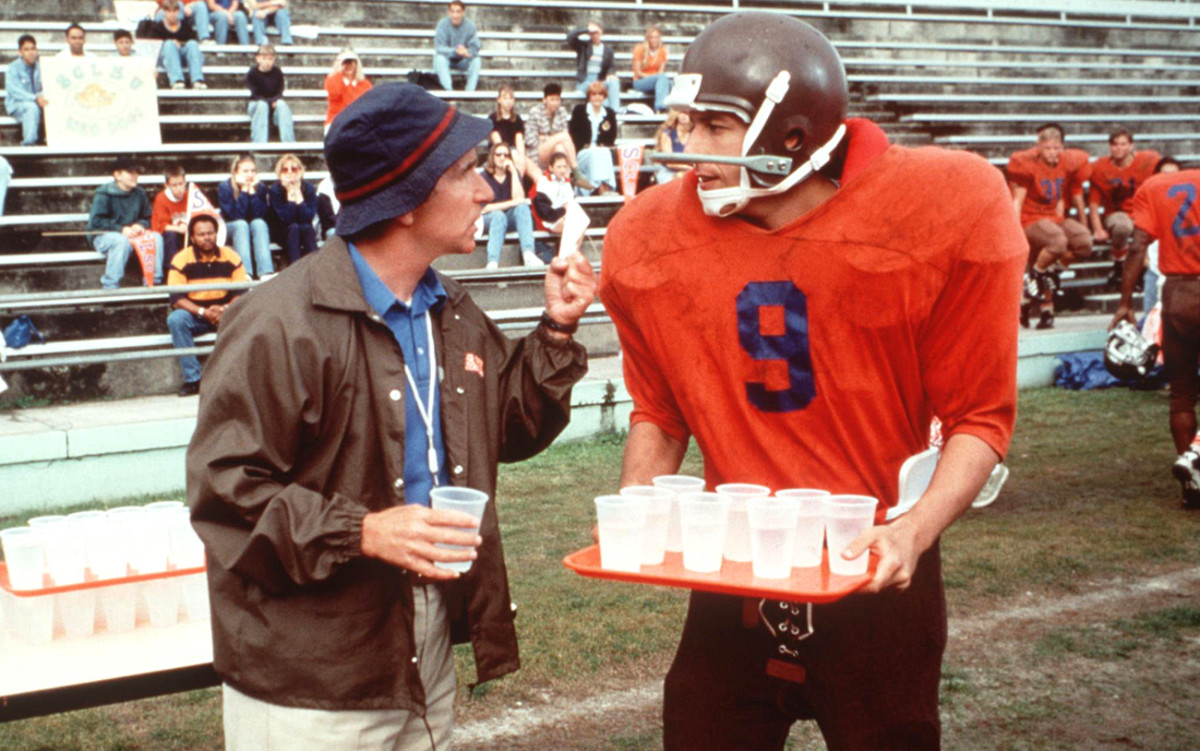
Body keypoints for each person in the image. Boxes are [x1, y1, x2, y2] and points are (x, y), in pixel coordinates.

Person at [600, 12, 1024, 750]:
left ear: (792, 136)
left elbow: (980, 420)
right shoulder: (648, 232)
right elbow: (661, 409)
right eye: (685, 122)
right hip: (736, 564)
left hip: (877, 571)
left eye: (715, 126)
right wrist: (639, 512)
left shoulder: (937, 206)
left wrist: (912, 533)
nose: (688, 148)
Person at [187, 81, 596, 750]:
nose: (487, 192)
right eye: (466, 174)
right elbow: (225, 494)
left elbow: (505, 428)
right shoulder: (278, 323)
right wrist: (364, 531)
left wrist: (555, 331)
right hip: (312, 672)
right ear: (405, 201)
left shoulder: (450, 309)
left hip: (423, 639)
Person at [1007, 123, 1093, 330]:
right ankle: (1041, 285)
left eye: (1056, 148)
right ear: (1038, 148)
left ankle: (1045, 274)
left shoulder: (1068, 162)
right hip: (1031, 219)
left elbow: (1064, 192)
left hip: (1051, 218)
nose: (1052, 152)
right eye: (1047, 148)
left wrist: (1063, 216)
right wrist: (1013, 229)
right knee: (1057, 241)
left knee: (1084, 242)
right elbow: (1017, 200)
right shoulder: (1027, 164)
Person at [166, 212, 248, 396]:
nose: (207, 238)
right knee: (176, 320)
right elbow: (177, 298)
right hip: (196, 313)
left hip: (226, 311)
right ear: (192, 237)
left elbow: (241, 292)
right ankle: (193, 380)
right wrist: (204, 312)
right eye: (201, 234)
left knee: (249, 315)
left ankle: (238, 379)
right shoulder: (181, 259)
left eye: (210, 233)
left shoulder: (231, 256)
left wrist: (225, 309)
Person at [1088, 128, 1161, 286]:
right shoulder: (1100, 168)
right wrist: (1097, 229)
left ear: (1131, 146)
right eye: (1115, 145)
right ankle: (1119, 262)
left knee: (1151, 231)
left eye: (1123, 144)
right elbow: (1093, 204)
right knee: (1123, 226)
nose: (1119, 148)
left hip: (1141, 212)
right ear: (1110, 147)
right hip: (1116, 213)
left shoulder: (1147, 162)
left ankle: (1144, 268)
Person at [87, 156, 163, 290]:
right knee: (121, 241)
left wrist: (140, 225)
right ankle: (111, 287)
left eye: (136, 172)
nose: (135, 176)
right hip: (104, 235)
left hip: (132, 235)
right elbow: (96, 221)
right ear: (117, 175)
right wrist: (121, 229)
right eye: (130, 172)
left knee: (156, 237)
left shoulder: (140, 193)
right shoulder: (104, 193)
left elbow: (148, 216)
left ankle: (153, 283)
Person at [480, 142, 540, 270]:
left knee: (522, 208)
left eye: (506, 155)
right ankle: (492, 261)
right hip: (488, 220)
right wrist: (511, 203)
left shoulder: (513, 174)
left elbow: (520, 199)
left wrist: (513, 171)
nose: (502, 157)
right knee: (498, 215)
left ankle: (528, 254)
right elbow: (483, 208)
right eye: (498, 154)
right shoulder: (484, 177)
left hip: (508, 219)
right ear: (492, 156)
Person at [218, 154, 274, 278]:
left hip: (251, 226)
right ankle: (244, 272)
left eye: (253, 171)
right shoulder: (225, 187)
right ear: (236, 172)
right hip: (231, 227)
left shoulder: (260, 187)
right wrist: (243, 191)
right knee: (241, 225)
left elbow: (261, 214)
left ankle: (265, 272)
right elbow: (236, 215)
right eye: (245, 171)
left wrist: (253, 193)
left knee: (259, 223)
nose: (250, 174)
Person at [525, 83, 586, 188]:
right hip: (537, 152)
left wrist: (546, 138)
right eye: (552, 99)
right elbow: (530, 139)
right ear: (544, 100)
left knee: (560, 147)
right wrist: (552, 139)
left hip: (553, 150)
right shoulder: (535, 112)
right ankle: (577, 172)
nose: (555, 103)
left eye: (557, 100)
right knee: (563, 137)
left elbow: (565, 137)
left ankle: (565, 184)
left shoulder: (561, 112)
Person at [568, 81, 618, 196]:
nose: (597, 98)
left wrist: (600, 146)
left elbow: (612, 136)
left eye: (600, 95)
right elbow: (573, 134)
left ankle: (607, 188)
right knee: (594, 153)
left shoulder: (609, 113)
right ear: (589, 96)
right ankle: (600, 188)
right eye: (594, 94)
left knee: (604, 152)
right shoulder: (579, 110)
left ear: (604, 97)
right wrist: (586, 146)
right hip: (582, 152)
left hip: (600, 151)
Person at [268, 153, 318, 265]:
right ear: (280, 174)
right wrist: (291, 194)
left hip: (302, 227)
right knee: (294, 228)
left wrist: (299, 195)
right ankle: (295, 268)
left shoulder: (308, 188)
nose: (290, 172)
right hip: (281, 230)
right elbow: (286, 218)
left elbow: (308, 217)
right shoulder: (275, 190)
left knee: (306, 228)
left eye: (294, 169)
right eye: (285, 170)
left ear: (300, 171)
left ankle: (316, 266)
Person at [149, 0, 208, 90]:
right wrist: (171, 43)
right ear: (164, 12)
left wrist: (179, 43)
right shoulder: (157, 27)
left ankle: (198, 80)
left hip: (182, 56)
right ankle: (177, 80)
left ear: (178, 12)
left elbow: (192, 41)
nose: (172, 14)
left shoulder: (185, 26)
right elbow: (154, 47)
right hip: (165, 58)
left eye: (174, 11)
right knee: (169, 44)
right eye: (169, 11)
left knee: (192, 44)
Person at [246, 44, 295, 143]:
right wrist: (270, 102)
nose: (267, 62)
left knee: (282, 104)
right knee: (262, 105)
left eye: (270, 59)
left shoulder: (277, 72)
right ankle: (259, 142)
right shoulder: (252, 73)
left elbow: (280, 90)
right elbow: (256, 94)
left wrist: (275, 101)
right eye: (264, 58)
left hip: (273, 104)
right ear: (258, 59)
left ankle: (289, 142)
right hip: (257, 105)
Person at [566, 21, 619, 113]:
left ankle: (615, 112)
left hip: (600, 80)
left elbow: (611, 65)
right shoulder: (583, 46)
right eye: (592, 33)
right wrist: (586, 29)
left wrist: (610, 74)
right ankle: (608, 113)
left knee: (614, 82)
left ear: (601, 32)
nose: (594, 35)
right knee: (603, 97)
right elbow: (570, 37)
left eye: (596, 32)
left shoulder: (607, 50)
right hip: (586, 81)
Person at [5, 35, 45, 147]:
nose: (30, 52)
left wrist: (41, 97)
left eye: (33, 49)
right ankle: (29, 143)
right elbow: (15, 91)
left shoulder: (41, 66)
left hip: (37, 102)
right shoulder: (13, 68)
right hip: (17, 104)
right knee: (31, 107)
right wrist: (35, 98)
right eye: (26, 50)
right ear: (20, 52)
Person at [432, 0, 480, 92]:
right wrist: (455, 51)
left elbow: (475, 46)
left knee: (476, 60)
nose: (455, 15)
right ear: (449, 12)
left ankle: (469, 93)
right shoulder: (442, 24)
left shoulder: (470, 26)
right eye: (452, 11)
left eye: (458, 12)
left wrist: (468, 52)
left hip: (463, 60)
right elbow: (439, 48)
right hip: (447, 59)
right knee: (439, 59)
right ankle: (449, 92)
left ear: (463, 12)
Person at [152, 164, 191, 268]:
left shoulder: (191, 195)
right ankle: (172, 269)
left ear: (185, 182)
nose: (179, 188)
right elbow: (160, 226)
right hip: (171, 236)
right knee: (171, 235)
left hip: (189, 232)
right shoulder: (161, 198)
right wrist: (178, 228)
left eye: (181, 184)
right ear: (167, 185)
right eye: (174, 185)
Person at [324, 48, 372, 131]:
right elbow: (335, 94)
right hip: (336, 122)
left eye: (351, 62)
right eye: (345, 62)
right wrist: (338, 71)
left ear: (357, 64)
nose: (349, 65)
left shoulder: (365, 84)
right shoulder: (332, 79)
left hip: (357, 123)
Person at [488, 84, 529, 177]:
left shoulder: (517, 119)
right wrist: (513, 156)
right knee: (516, 159)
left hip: (515, 152)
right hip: (499, 153)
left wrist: (522, 157)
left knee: (533, 169)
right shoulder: (493, 118)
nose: (508, 101)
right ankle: (518, 185)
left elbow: (519, 140)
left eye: (511, 98)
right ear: (498, 100)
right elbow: (498, 143)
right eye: (505, 98)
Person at [631, 25, 670, 113]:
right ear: (648, 38)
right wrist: (653, 77)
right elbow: (637, 72)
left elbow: (661, 72)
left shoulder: (662, 51)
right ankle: (660, 107)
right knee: (662, 78)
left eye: (656, 37)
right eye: (651, 37)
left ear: (659, 38)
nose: (654, 40)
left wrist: (656, 78)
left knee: (670, 83)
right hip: (640, 81)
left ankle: (668, 109)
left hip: (657, 81)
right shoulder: (639, 49)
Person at [654, 109, 692, 185]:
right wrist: (690, 169)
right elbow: (669, 162)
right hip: (668, 171)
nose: (684, 116)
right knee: (679, 178)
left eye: (687, 113)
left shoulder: (694, 133)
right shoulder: (668, 133)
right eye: (681, 113)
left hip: (688, 171)